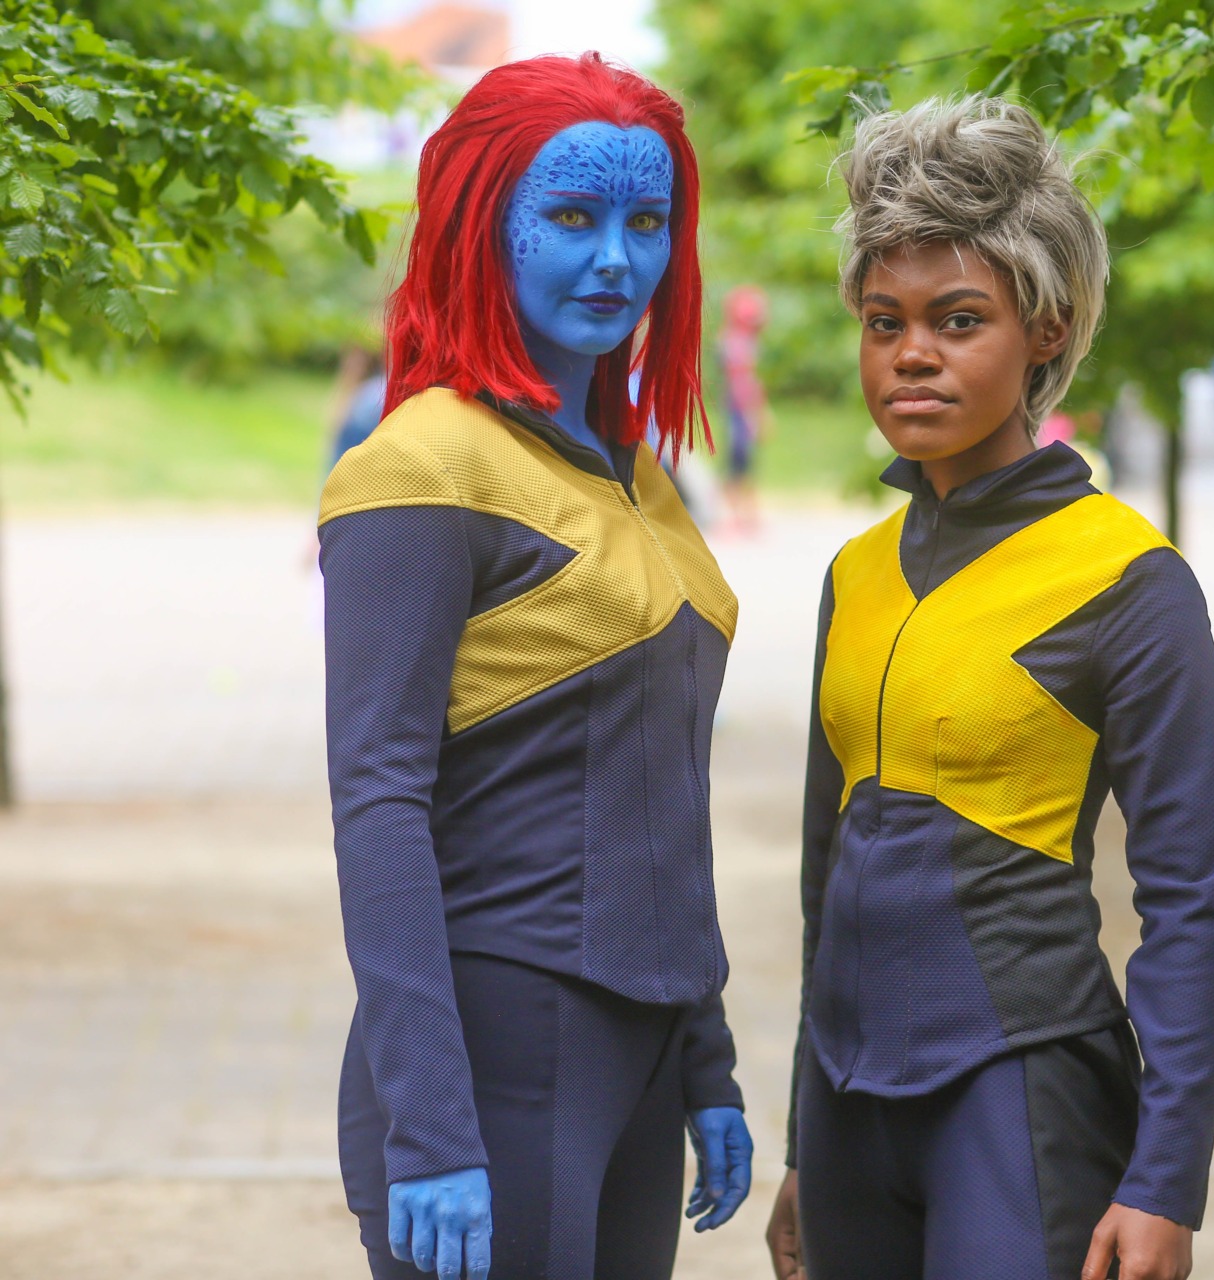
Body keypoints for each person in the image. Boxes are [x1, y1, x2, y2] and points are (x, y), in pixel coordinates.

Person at [766, 97, 1214, 1280]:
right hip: (845, 1109)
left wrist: (1166, 1179)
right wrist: (801, 1140)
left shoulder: (1127, 577)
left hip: (1024, 1094)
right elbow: (827, 868)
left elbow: (1191, 896)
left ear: (1047, 328)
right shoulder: (855, 572)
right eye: (884, 322)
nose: (912, 352)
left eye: (959, 319)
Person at [318, 54, 752, 1280]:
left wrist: (707, 1057)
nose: (616, 259)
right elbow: (377, 800)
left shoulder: (636, 468)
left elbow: (664, 790)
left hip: (642, 1056)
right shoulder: (421, 466)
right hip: (490, 1058)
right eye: (569, 217)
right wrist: (430, 1128)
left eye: (647, 222)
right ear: (480, 225)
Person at [719, 284, 770, 534]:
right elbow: (743, 383)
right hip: (739, 408)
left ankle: (746, 514)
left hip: (738, 407)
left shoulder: (738, 340)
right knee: (738, 461)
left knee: (743, 462)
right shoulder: (737, 342)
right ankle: (735, 516)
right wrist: (754, 415)